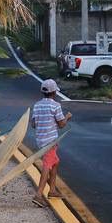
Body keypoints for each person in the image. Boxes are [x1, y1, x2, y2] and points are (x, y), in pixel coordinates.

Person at [31, 79, 70, 207]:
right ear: (54, 92)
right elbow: (61, 124)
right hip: (51, 141)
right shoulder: (55, 106)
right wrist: (67, 117)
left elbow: (33, 124)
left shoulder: (37, 105)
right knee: (47, 166)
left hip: (41, 140)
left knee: (56, 162)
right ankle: (38, 194)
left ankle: (52, 190)